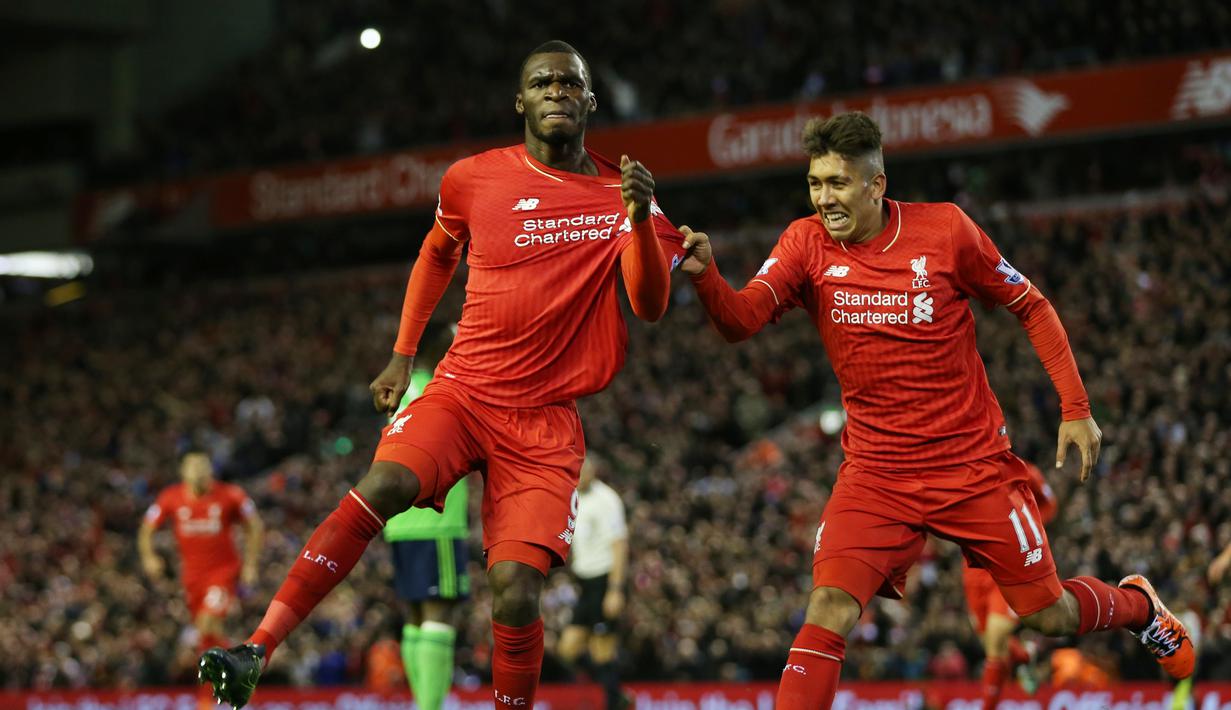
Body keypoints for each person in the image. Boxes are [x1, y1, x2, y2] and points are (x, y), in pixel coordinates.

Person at [198, 39, 685, 709]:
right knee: (383, 482)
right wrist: (401, 354)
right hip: (463, 390)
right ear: (520, 100)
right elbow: (435, 253)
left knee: (514, 592)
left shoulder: (623, 194)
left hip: (545, 420)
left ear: (590, 101)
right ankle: (256, 646)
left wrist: (634, 219)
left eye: (570, 84)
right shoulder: (471, 178)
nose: (556, 92)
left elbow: (651, 305)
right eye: (543, 82)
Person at [676, 111, 1196, 709]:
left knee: (1047, 616)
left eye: (837, 184)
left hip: (971, 466)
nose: (823, 199)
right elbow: (741, 321)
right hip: (876, 474)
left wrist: (1075, 407)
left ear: (876, 184)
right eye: (815, 183)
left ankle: (1137, 606)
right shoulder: (805, 243)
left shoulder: (946, 231)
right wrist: (707, 276)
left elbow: (1031, 303)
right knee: (827, 607)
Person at [383, 366, 472, 710]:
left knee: (416, 616)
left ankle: (423, 703)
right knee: (440, 614)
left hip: (401, 521)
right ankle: (429, 707)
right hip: (436, 518)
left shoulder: (406, 388)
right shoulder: (442, 388)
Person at [139, 450, 264, 660]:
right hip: (192, 577)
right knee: (208, 633)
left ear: (211, 469)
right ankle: (220, 683)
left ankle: (237, 669)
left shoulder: (230, 494)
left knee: (207, 622)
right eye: (192, 466)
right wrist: (149, 557)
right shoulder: (170, 497)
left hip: (223, 573)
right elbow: (146, 529)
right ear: (182, 471)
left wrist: (251, 564)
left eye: (202, 465)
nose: (198, 471)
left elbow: (254, 526)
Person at [963, 461, 1055, 707]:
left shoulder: (1025, 471)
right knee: (989, 641)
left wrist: (1028, 529)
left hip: (1008, 565)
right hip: (973, 569)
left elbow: (1049, 504)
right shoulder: (961, 471)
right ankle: (1024, 657)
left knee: (995, 641)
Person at [557, 454, 629, 710]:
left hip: (604, 580)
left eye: (585, 470)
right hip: (585, 583)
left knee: (602, 649)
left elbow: (619, 544)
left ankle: (614, 702)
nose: (580, 475)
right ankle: (616, 693)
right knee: (567, 649)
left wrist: (615, 590)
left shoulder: (606, 499)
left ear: (593, 471)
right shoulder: (572, 497)